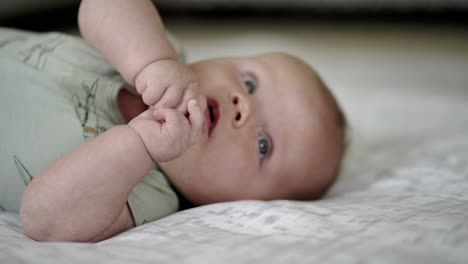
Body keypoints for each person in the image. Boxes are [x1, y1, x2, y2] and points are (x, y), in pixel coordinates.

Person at [0, 0, 346, 242]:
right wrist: (151, 61)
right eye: (251, 83)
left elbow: (43, 218)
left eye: (263, 145)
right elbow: (100, 6)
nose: (243, 107)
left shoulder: (147, 196)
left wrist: (141, 145)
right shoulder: (159, 52)